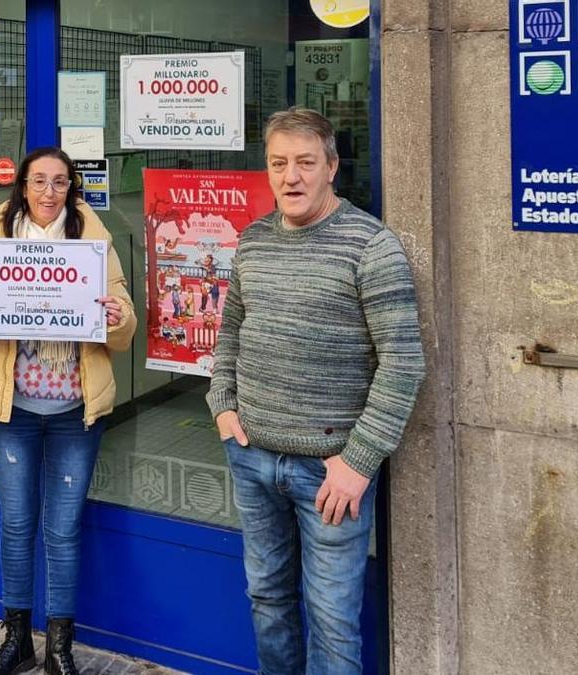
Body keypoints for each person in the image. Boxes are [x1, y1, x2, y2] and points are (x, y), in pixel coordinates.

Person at [206, 107, 425, 673]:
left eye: (305, 162)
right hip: (253, 457)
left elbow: (403, 364)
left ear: (332, 166)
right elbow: (229, 330)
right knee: (268, 599)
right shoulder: (253, 240)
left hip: (330, 475)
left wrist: (358, 462)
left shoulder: (371, 246)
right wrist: (224, 406)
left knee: (331, 621)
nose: (290, 176)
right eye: (279, 163)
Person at [0, 147, 137, 675]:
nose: (49, 192)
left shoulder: (93, 244)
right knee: (17, 522)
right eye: (39, 182)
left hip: (76, 408)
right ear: (22, 187)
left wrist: (117, 317)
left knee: (65, 528)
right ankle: (16, 640)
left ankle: (59, 647)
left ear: (72, 188)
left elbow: (124, 330)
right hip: (11, 409)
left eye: (59, 182)